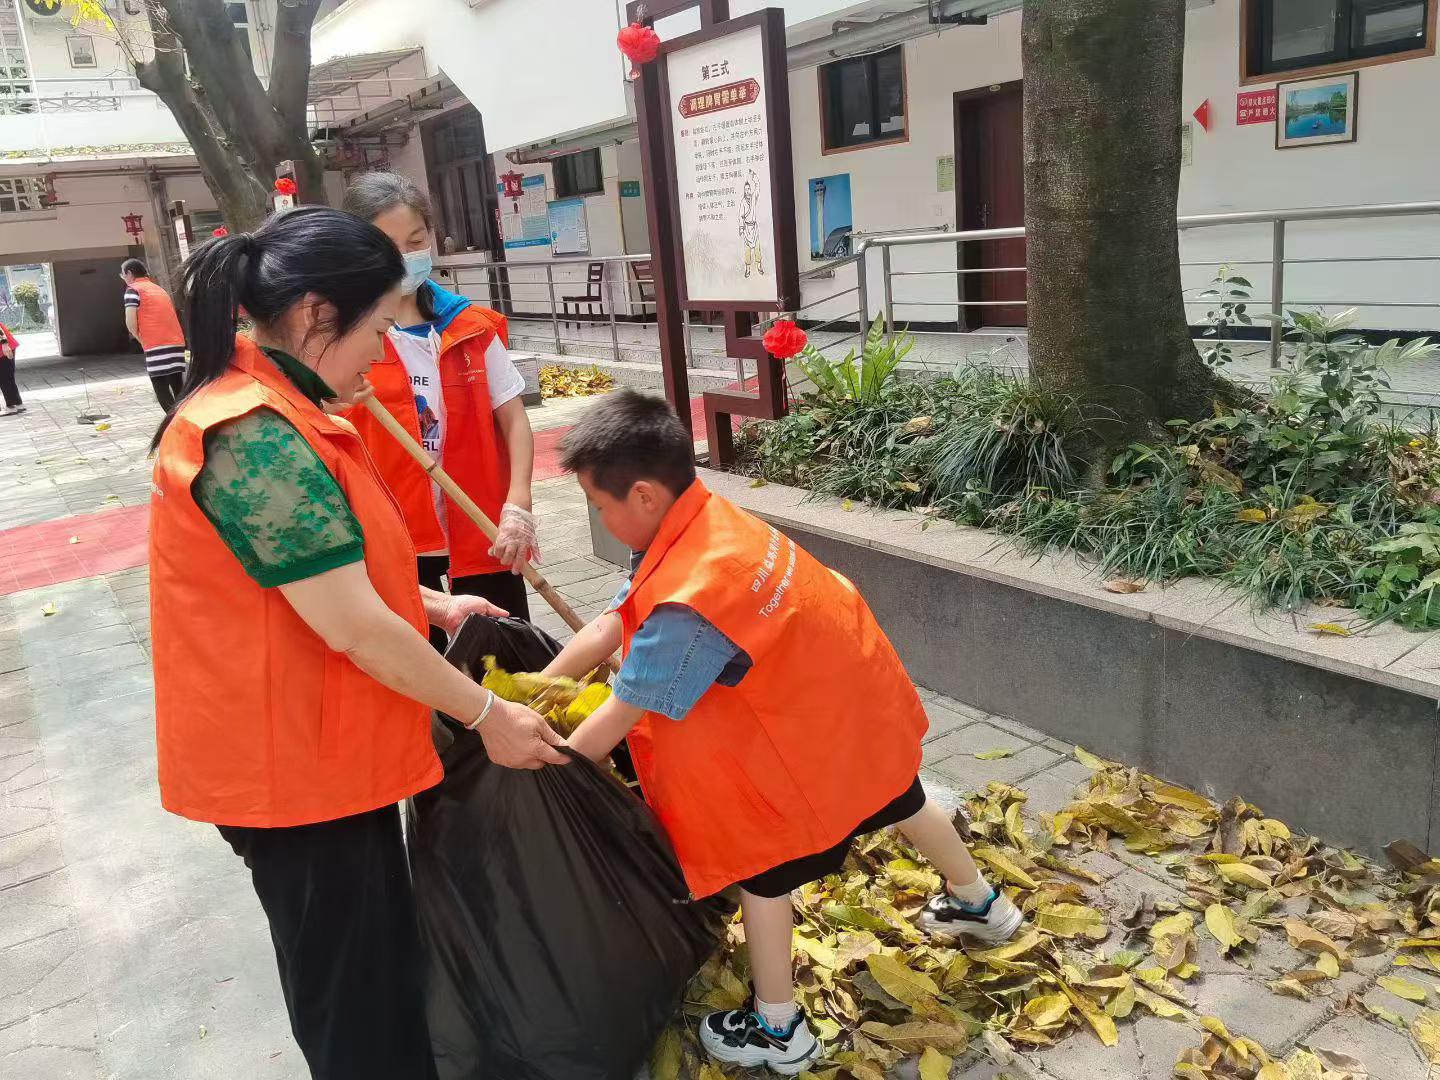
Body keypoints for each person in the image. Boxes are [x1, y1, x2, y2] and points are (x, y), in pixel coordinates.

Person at [148, 207, 568, 1080]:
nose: (383, 352)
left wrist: (428, 604)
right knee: (353, 1001)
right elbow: (345, 621)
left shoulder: (291, 413)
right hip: (292, 771)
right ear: (313, 316)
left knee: (376, 967)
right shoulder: (249, 437)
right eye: (376, 328)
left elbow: (307, 575)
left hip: (330, 751)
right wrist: (488, 715)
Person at [545, 391, 1026, 1076]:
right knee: (900, 793)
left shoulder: (693, 597)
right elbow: (617, 622)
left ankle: (780, 1030)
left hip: (801, 742)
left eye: (599, 504)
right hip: (850, 711)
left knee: (764, 869)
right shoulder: (709, 523)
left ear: (645, 496)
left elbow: (622, 711)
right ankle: (982, 905)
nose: (599, 516)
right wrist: (542, 687)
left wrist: (549, 765)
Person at [341, 172, 538, 638]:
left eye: (416, 240)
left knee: (505, 643)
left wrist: (518, 503)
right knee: (423, 656)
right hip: (399, 531)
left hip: (479, 522)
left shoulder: (467, 326)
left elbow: (512, 417)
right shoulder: (347, 341)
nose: (407, 256)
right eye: (389, 246)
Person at [120, 258, 187, 411]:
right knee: (178, 387)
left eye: (123, 275)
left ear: (129, 273)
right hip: (176, 343)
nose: (123, 278)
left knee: (160, 386)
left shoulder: (133, 290)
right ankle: (184, 418)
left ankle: (172, 424)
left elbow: (130, 323)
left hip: (156, 345)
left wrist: (141, 340)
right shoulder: (158, 289)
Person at [0, 320, 23, 416]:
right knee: (8, 377)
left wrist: (4, 345)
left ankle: (12, 406)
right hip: (6, 347)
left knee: (4, 378)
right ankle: (18, 404)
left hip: (4, 348)